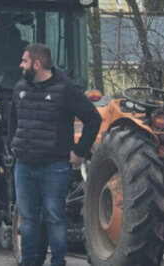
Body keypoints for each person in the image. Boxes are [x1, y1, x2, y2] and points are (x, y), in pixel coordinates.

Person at [8, 43, 102, 266]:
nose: (20, 65)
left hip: (54, 167)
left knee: (55, 217)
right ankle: (28, 262)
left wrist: (80, 151)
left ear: (37, 64)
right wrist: (14, 146)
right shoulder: (20, 88)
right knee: (28, 219)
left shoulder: (66, 89)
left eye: (24, 61)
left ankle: (58, 262)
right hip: (24, 165)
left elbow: (93, 119)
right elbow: (13, 121)